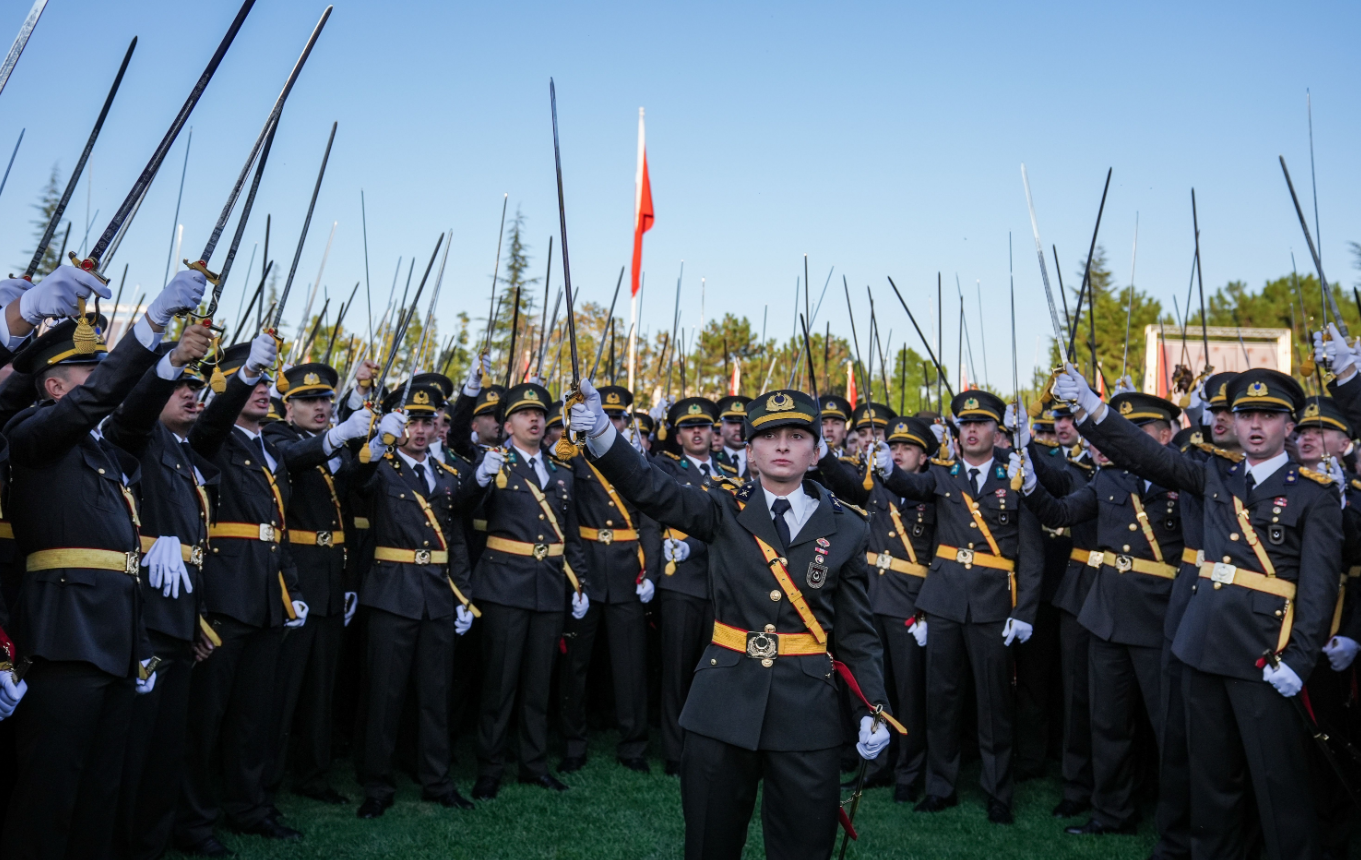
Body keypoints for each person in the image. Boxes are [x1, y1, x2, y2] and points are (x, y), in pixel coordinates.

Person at [569, 382, 897, 860]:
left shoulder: (846, 525)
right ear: (749, 449)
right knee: (709, 845)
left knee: (804, 849)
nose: (782, 445)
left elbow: (857, 634)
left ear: (817, 449)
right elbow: (650, 488)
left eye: (796, 435)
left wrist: (874, 706)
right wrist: (601, 432)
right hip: (722, 706)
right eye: (768, 436)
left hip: (807, 714)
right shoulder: (722, 507)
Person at [1057, 364, 1341, 859]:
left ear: (1289, 427)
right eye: (1245, 414)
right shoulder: (1214, 473)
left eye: (1268, 417)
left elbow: (1317, 590)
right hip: (1203, 644)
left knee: (1278, 781)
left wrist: (1299, 660)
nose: (1254, 425)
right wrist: (1092, 409)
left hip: (1264, 654)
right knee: (1210, 778)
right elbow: (1145, 455)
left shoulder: (1312, 493)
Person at [1, 266, 204, 860]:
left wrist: (164, 364)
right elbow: (102, 399)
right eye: (89, 373)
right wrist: (149, 326)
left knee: (100, 791)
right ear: (57, 388)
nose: (101, 384)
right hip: (64, 634)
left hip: (114, 635)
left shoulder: (101, 452)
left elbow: (134, 416)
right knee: (49, 793)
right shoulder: (32, 431)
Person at [1018, 392, 1184, 837]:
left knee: (1169, 729)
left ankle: (1178, 824)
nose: (1127, 442)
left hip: (1159, 616)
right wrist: (1031, 484)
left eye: (1140, 433)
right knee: (1107, 722)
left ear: (1166, 436)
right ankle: (1111, 812)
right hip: (1107, 614)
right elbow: (1063, 512)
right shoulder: (1110, 479)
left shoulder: (1184, 481)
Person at [879, 389, 1043, 824]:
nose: (971, 431)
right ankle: (940, 786)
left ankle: (998, 793)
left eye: (981, 423)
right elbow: (910, 483)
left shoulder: (1015, 476)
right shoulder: (943, 475)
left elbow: (1031, 553)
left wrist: (1025, 611)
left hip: (993, 605)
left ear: (996, 430)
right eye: (965, 424)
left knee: (994, 706)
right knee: (941, 701)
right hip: (945, 602)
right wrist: (884, 470)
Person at [175, 334, 310, 855]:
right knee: (207, 720)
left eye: (261, 381)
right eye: (244, 381)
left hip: (267, 594)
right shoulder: (209, 438)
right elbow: (210, 424)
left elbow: (277, 528)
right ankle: (195, 821)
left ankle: (248, 806)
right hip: (226, 597)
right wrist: (242, 376)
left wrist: (291, 589)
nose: (260, 391)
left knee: (255, 717)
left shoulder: (268, 449)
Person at [102, 327, 223, 860]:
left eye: (197, 387)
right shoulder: (135, 437)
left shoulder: (181, 452)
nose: (192, 394)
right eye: (181, 387)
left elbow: (189, 549)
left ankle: (150, 845)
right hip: (143, 618)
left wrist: (193, 619)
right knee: (133, 751)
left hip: (176, 619)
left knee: (165, 750)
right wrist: (167, 361)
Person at [461, 382, 589, 799]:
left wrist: (579, 581)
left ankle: (534, 764)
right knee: (499, 683)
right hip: (504, 584)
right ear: (508, 424)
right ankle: (490, 767)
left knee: (538, 683)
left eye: (539, 413)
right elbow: (462, 509)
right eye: (524, 413)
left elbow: (571, 535)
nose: (535, 419)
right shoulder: (493, 463)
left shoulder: (560, 470)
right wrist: (481, 478)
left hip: (549, 586)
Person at [355, 382, 477, 817]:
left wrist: (463, 595)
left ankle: (437, 781)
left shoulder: (447, 477)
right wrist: (374, 440)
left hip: (437, 596)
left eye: (428, 422)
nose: (421, 430)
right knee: (385, 697)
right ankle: (377, 786)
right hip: (392, 591)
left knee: (435, 695)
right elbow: (353, 478)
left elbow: (457, 540)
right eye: (412, 422)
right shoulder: (381, 467)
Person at [264, 363, 372, 806]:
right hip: (296, 577)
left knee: (320, 689)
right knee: (283, 689)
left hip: (329, 575)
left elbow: (349, 492)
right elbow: (295, 459)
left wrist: (375, 446)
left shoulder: (333, 447)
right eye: (310, 401)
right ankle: (266, 780)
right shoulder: (276, 437)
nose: (321, 407)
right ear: (288, 407)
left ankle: (313, 773)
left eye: (326, 399)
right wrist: (340, 435)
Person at [821, 416, 936, 803]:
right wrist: (824, 455)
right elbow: (846, 486)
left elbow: (941, 555)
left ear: (924, 457)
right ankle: (878, 765)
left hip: (910, 603)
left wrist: (927, 608)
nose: (898, 452)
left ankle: (909, 772)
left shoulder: (933, 491)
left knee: (910, 693)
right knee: (873, 692)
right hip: (872, 597)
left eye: (907, 448)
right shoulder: (875, 484)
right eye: (895, 446)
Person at [557, 385, 660, 774]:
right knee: (576, 665)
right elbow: (558, 492)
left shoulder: (632, 460)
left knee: (630, 666)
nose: (613, 423)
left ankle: (633, 746)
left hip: (626, 571)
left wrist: (650, 571)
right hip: (585, 568)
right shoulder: (574, 455)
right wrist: (571, 422)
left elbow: (649, 519)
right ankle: (572, 743)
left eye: (618, 418)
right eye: (608, 416)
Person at [653, 397, 725, 775]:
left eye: (704, 426)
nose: (697, 432)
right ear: (677, 434)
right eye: (688, 426)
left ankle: (708, 746)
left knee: (714, 673)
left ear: (714, 432)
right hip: (681, 580)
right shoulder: (667, 466)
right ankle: (675, 751)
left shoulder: (729, 470)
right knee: (677, 672)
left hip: (720, 583)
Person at [714, 395, 752, 477]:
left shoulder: (760, 461)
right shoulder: (711, 459)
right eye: (732, 423)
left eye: (743, 423)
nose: (738, 428)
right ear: (721, 429)